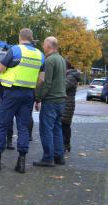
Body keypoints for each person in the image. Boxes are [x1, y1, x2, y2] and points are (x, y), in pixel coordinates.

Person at [0, 28, 44, 173]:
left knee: (2, 125)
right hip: (28, 94)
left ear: (20, 37)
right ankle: (21, 162)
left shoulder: (15, 50)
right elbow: (42, 79)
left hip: (11, 93)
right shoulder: (40, 55)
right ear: (31, 38)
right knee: (23, 126)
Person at [33, 36, 67, 167]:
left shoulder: (49, 61)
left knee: (46, 129)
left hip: (51, 101)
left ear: (48, 46)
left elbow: (46, 82)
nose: (43, 46)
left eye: (44, 44)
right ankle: (59, 157)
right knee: (57, 129)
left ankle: (48, 158)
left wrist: (38, 98)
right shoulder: (61, 59)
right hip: (61, 101)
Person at [0, 75, 34, 150]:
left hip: (9, 96)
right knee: (22, 125)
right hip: (24, 94)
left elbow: (1, 70)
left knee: (3, 124)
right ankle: (21, 156)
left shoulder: (9, 64)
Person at [61, 60, 81, 152]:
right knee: (64, 124)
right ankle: (65, 144)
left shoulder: (71, 76)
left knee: (65, 124)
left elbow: (63, 87)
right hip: (66, 102)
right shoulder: (69, 75)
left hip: (67, 103)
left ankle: (66, 144)